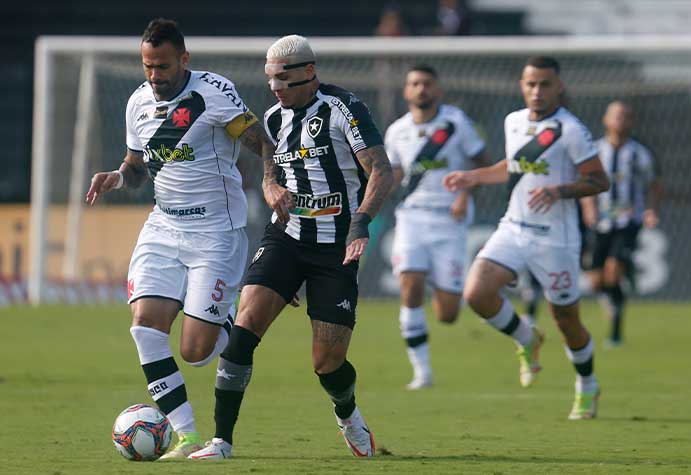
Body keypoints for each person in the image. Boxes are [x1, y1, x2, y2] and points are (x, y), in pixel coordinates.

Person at [188, 34, 393, 460]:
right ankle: (221, 441)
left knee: (327, 362)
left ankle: (348, 413)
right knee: (243, 330)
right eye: (269, 78)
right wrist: (268, 181)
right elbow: (269, 154)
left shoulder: (343, 109)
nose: (275, 86)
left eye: (283, 77)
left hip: (336, 247)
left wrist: (360, 224)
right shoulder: (275, 118)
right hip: (287, 236)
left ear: (309, 71)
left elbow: (382, 171)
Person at [85, 18, 277, 459]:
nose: (155, 76)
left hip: (216, 230)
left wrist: (271, 180)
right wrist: (116, 177)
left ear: (183, 60)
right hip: (164, 225)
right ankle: (186, 434)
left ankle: (235, 323)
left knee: (195, 352)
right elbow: (137, 166)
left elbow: (259, 142)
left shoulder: (212, 92)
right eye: (149, 66)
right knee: (145, 327)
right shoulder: (137, 102)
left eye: (164, 67)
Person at [443, 56, 610, 420]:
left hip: (556, 240)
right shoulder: (513, 121)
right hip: (514, 227)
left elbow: (600, 181)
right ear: (523, 85)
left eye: (545, 84)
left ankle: (587, 384)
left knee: (566, 320)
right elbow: (513, 166)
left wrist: (559, 191)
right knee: (476, 292)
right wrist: (473, 177)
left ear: (558, 87)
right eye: (531, 84)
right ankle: (526, 338)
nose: (537, 91)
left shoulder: (571, 130)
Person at [384, 65, 489, 390]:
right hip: (412, 216)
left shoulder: (455, 123)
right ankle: (422, 373)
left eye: (427, 83)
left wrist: (464, 194)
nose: (421, 89)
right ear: (406, 91)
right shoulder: (396, 131)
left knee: (447, 313)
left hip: (450, 218)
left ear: (437, 89)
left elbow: (482, 163)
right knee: (410, 287)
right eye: (414, 83)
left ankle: (435, 277)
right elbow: (396, 175)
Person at [581, 101, 662, 347]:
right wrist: (588, 207)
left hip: (628, 220)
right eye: (617, 116)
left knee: (613, 272)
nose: (621, 121)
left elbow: (655, 185)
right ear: (606, 120)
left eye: (626, 117)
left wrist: (650, 210)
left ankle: (615, 333)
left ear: (632, 122)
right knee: (596, 280)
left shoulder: (639, 153)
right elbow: (587, 182)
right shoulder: (595, 150)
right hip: (601, 221)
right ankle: (612, 291)